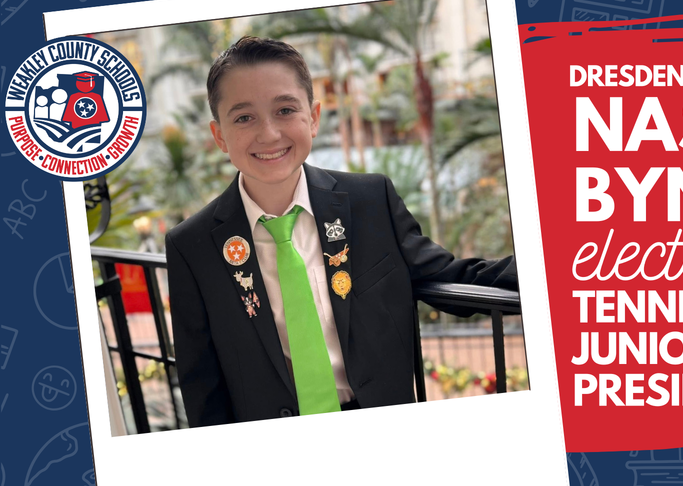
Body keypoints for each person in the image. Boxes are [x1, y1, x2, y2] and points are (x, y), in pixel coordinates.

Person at [165, 36, 517, 427]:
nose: (268, 133)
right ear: (219, 136)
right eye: (244, 117)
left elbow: (450, 276)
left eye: (285, 109)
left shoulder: (369, 201)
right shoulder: (191, 246)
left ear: (313, 117)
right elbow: (201, 383)